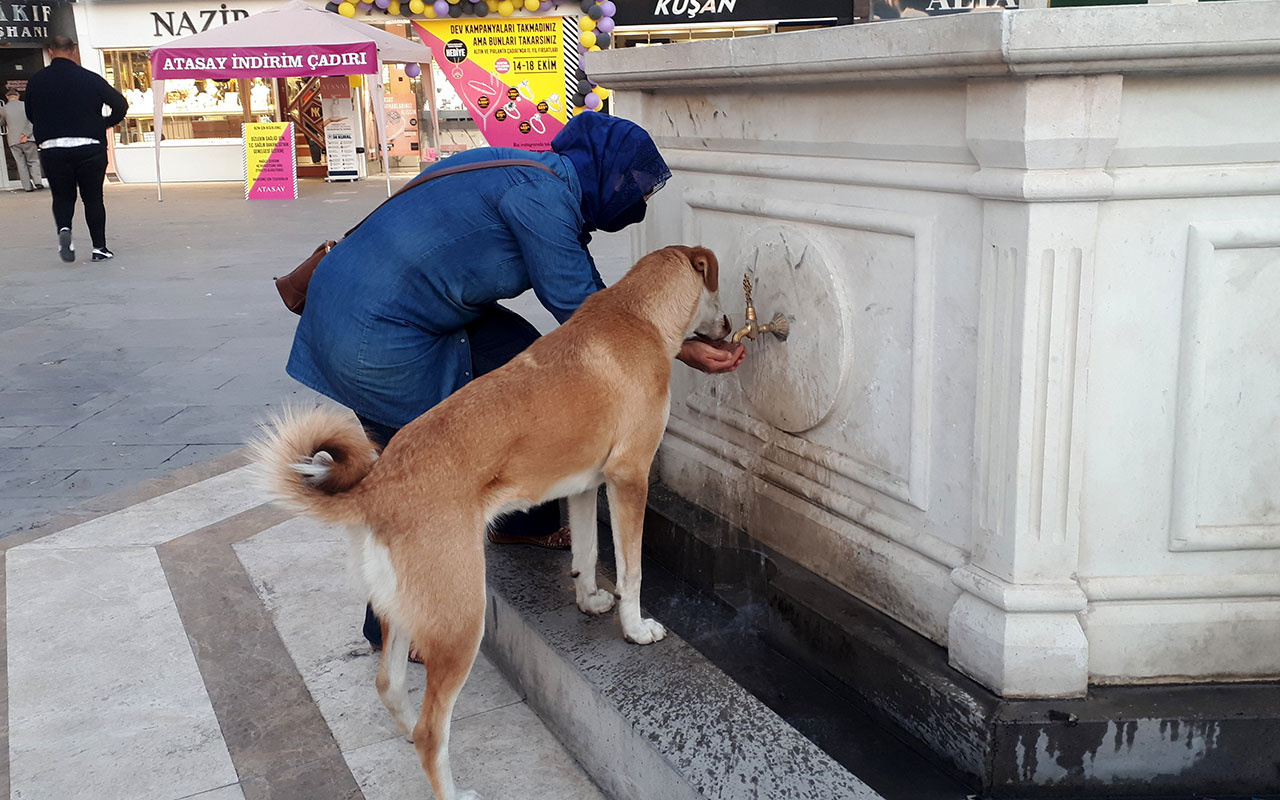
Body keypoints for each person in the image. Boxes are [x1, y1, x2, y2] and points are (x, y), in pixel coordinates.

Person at [286, 113, 746, 651]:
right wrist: (680, 345)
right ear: (601, 172)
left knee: (516, 353)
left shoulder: (535, 172)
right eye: (628, 183)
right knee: (425, 469)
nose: (633, 198)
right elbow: (582, 303)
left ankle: (517, 517)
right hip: (378, 329)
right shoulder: (544, 200)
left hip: (372, 305)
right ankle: (397, 624)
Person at [24, 35, 128, 263]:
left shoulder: (37, 80)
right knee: (93, 199)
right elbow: (120, 104)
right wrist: (103, 123)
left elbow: (30, 113)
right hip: (89, 146)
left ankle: (64, 229)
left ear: (51, 51)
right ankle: (99, 248)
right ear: (73, 51)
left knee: (62, 197)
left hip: (53, 147)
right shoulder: (90, 79)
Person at [1, 89, 44, 193]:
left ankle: (27, 187)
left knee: (20, 163)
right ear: (18, 95)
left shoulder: (4, 109)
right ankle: (38, 181)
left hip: (13, 140)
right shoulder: (26, 105)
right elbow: (32, 120)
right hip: (28, 138)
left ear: (7, 97)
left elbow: (1, 123)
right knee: (33, 160)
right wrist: (26, 134)